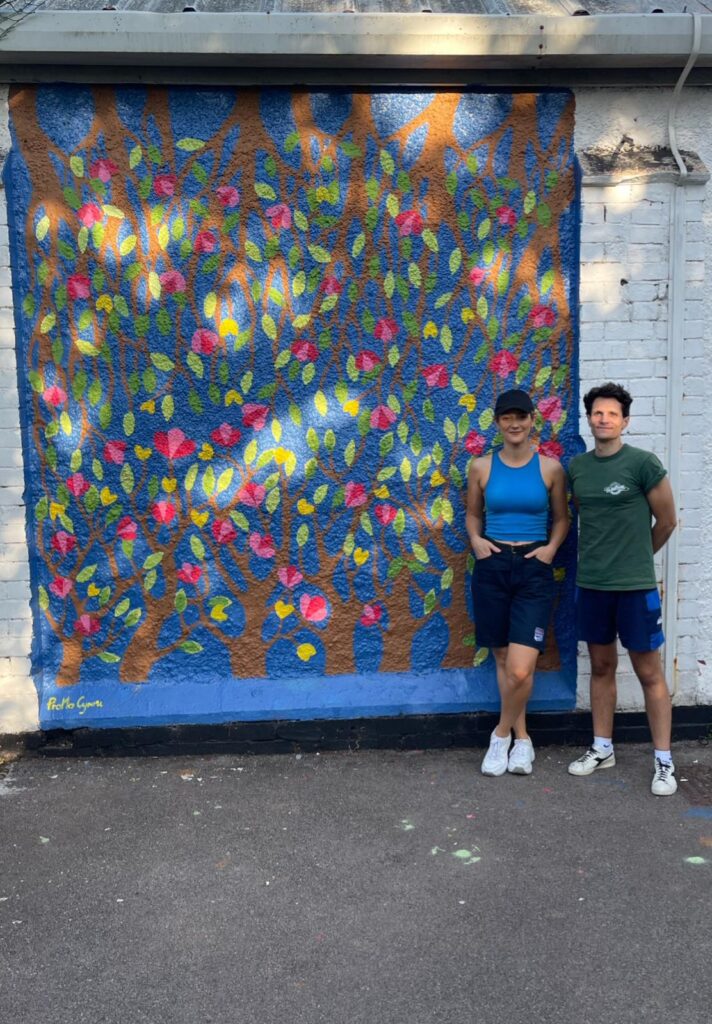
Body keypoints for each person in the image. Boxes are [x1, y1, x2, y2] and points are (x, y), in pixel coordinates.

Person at [566, 382, 678, 796]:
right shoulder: (578, 468)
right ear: (589, 419)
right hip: (592, 585)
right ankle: (601, 747)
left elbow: (666, 521)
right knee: (600, 667)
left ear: (625, 421)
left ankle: (664, 760)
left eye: (612, 414)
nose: (604, 419)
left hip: (634, 587)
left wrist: (635, 557)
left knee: (649, 672)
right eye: (597, 413)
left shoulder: (643, 464)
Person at [466, 388, 569, 776]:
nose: (514, 424)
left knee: (522, 669)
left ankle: (500, 733)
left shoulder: (550, 469)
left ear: (531, 421)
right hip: (492, 565)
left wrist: (551, 549)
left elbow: (562, 518)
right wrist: (476, 541)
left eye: (521, 417)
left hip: (533, 567)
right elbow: (473, 515)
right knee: (504, 659)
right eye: (507, 418)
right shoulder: (481, 467)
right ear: (497, 423)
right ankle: (522, 741)